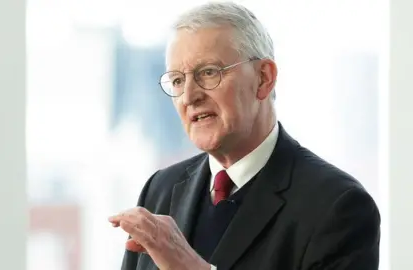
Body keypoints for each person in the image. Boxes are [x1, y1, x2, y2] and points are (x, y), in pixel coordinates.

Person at [108, 2, 381, 270]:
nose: (189, 96)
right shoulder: (160, 189)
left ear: (263, 78)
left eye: (208, 73)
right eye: (178, 80)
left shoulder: (338, 206)